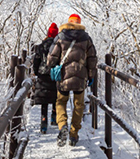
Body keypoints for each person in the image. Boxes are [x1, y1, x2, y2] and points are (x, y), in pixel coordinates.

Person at [47, 13, 97, 147]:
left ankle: (62, 125)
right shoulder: (87, 38)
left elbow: (51, 58)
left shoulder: (61, 36)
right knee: (79, 105)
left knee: (61, 102)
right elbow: (92, 59)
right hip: (81, 78)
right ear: (79, 23)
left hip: (64, 77)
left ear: (69, 22)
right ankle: (74, 134)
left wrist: (53, 66)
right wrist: (91, 75)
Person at [31, 22, 59, 133]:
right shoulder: (58, 46)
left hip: (42, 75)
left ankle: (43, 121)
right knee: (55, 97)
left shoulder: (40, 46)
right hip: (53, 74)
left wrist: (37, 72)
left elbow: (36, 61)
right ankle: (54, 117)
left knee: (44, 99)